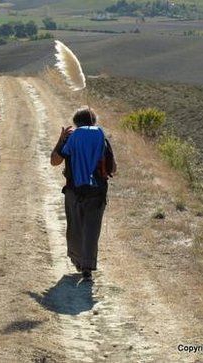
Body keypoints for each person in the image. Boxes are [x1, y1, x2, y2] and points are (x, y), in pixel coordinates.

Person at [50, 107, 116, 280]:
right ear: (93, 121)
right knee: (92, 230)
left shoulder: (71, 138)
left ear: (76, 123)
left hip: (74, 191)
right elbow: (113, 168)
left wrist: (60, 139)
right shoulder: (102, 138)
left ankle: (78, 261)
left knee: (75, 228)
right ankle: (87, 266)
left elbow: (54, 161)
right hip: (98, 191)